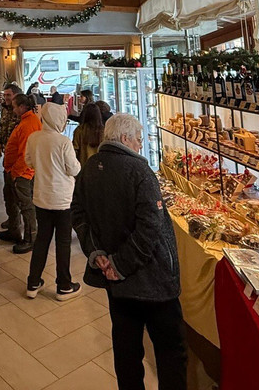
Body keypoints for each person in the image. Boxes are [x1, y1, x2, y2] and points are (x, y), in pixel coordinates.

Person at [72, 114, 186, 390]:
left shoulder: (90, 168)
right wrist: (121, 264)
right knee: (171, 351)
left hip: (115, 282)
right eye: (138, 139)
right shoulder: (139, 171)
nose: (140, 144)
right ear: (124, 139)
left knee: (126, 350)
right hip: (152, 279)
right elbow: (150, 228)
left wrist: (97, 253)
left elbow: (78, 213)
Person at [23, 102, 81, 300]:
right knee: (63, 242)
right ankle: (64, 285)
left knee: (42, 239)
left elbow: (28, 161)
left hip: (41, 197)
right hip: (62, 199)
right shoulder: (63, 142)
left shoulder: (34, 138)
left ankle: (33, 282)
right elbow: (73, 169)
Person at [2, 92, 41, 253]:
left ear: (23, 107)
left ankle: (30, 239)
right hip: (16, 170)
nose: (13, 110)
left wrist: (15, 173)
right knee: (12, 201)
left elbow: (26, 153)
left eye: (14, 107)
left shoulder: (28, 124)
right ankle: (14, 230)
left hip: (22, 173)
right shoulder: (26, 120)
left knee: (26, 206)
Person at [0, 83, 22, 238]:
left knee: (15, 193)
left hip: (18, 158)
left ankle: (16, 226)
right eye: (4, 95)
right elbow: (3, 128)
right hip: (7, 155)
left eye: (9, 95)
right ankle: (12, 220)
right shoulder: (4, 109)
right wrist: (0, 143)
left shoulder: (20, 112)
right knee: (8, 192)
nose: (6, 98)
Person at [73, 102, 105, 169]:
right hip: (100, 166)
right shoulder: (104, 131)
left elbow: (75, 149)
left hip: (84, 166)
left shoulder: (80, 130)